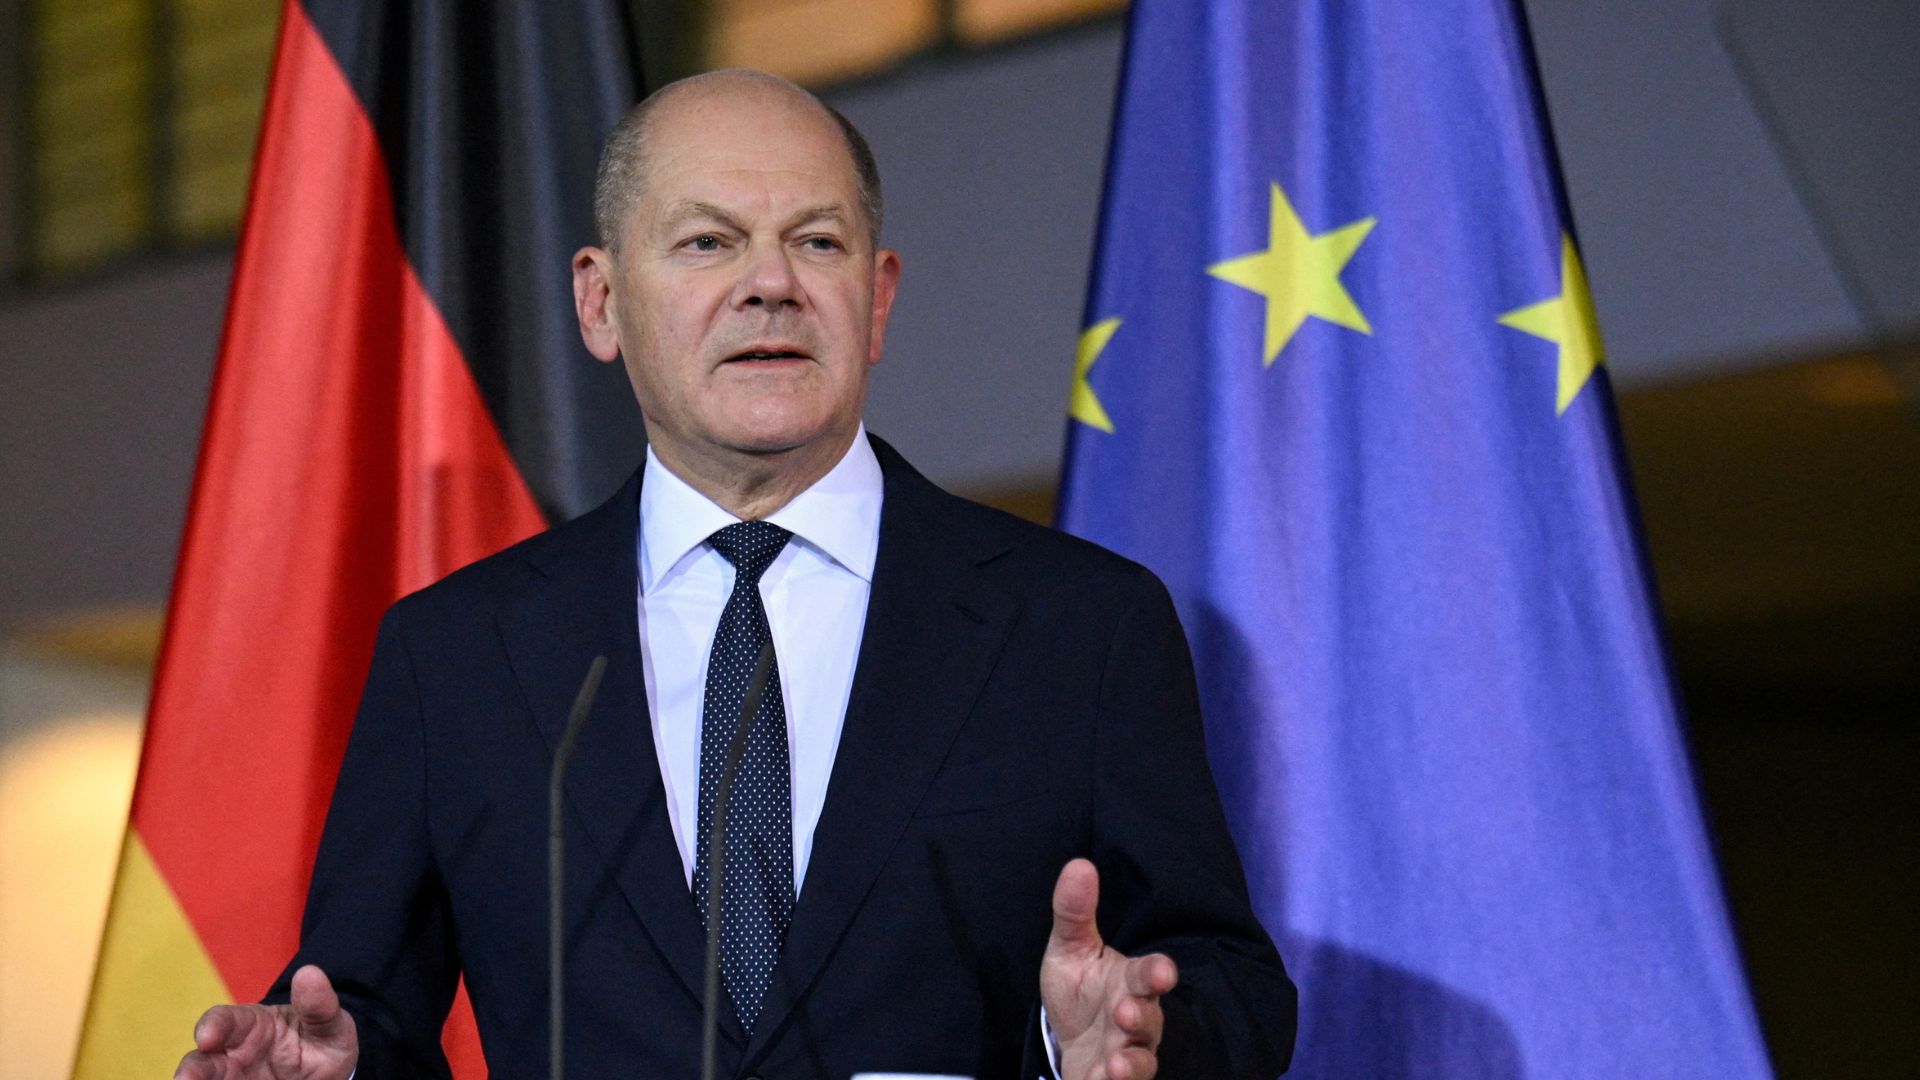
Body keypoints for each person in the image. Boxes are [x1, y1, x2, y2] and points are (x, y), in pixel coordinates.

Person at [176, 69, 1295, 1080]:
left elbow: (1232, 988)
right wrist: (331, 1068)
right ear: (601, 302)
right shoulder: (459, 654)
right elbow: (368, 1015)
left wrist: (1116, 1037)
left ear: (881, 296)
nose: (771, 283)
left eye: (817, 241)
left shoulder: (1078, 625)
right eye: (708, 242)